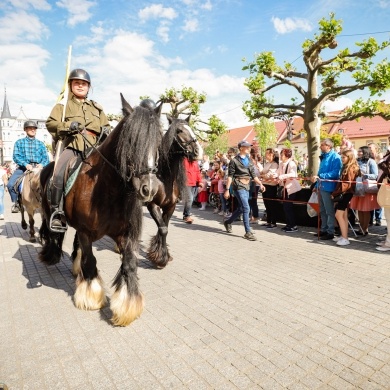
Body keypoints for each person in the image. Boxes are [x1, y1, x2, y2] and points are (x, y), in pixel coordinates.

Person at [46, 68, 109, 231]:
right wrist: (68, 125)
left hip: (95, 149)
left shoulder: (97, 108)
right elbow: (50, 124)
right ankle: (57, 213)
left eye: (84, 84)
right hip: (73, 147)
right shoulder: (63, 106)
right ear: (71, 85)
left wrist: (106, 131)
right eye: (77, 83)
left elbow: (106, 126)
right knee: (58, 172)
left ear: (88, 87)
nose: (80, 86)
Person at [223, 140, 265, 241]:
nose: (248, 148)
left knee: (242, 208)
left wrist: (260, 183)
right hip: (238, 186)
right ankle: (248, 232)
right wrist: (227, 189)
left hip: (248, 186)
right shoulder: (234, 161)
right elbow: (230, 176)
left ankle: (228, 222)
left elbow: (253, 175)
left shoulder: (249, 160)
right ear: (241, 148)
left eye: (249, 147)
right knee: (246, 207)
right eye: (246, 147)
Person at [7, 120, 50, 212]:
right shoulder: (19, 142)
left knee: (52, 183)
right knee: (10, 185)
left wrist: (42, 164)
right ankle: (17, 203)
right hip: (24, 168)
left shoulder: (41, 143)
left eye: (34, 128)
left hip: (39, 168)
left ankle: (51, 204)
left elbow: (45, 157)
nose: (33, 130)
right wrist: (25, 164)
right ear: (25, 130)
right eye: (30, 128)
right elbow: (16, 156)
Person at [310, 138, 342, 240]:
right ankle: (323, 229)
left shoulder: (335, 157)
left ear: (328, 146)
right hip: (321, 186)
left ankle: (330, 231)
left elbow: (336, 173)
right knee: (322, 210)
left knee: (329, 210)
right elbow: (319, 173)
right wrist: (316, 186)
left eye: (322, 145)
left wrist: (322, 176)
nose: (320, 146)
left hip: (328, 187)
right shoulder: (324, 157)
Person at [331, 150, 360, 246]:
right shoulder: (347, 167)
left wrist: (335, 193)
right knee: (343, 215)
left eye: (344, 157)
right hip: (345, 193)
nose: (342, 159)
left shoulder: (350, 168)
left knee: (338, 215)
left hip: (346, 193)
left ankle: (345, 238)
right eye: (341, 157)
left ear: (349, 157)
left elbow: (346, 184)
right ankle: (344, 235)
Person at [349, 146, 379, 235]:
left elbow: (375, 175)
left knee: (365, 210)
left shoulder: (371, 162)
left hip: (366, 189)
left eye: (360, 151)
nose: (358, 153)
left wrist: (364, 175)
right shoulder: (357, 161)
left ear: (365, 152)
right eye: (358, 151)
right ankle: (360, 228)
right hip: (358, 188)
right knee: (359, 209)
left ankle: (365, 229)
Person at [277, 148, 302, 233]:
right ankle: (288, 224)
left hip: (291, 188)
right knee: (285, 207)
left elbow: (293, 174)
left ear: (287, 155)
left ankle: (293, 225)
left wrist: (282, 176)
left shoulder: (291, 164)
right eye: (281, 154)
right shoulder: (281, 164)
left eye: (282, 154)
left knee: (288, 207)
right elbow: (278, 173)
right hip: (284, 187)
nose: (281, 156)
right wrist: (273, 175)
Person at [260, 148, 279, 228]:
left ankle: (273, 222)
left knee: (271, 204)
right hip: (265, 184)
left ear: (272, 155)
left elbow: (269, 175)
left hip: (271, 186)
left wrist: (263, 175)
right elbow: (262, 173)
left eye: (267, 153)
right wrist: (263, 175)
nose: (266, 155)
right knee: (266, 204)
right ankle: (268, 221)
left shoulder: (274, 164)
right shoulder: (267, 164)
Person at [182, 157, 203, 223]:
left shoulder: (195, 162)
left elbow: (197, 172)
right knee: (190, 199)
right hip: (186, 183)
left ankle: (185, 214)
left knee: (190, 199)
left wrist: (200, 181)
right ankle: (187, 216)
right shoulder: (184, 160)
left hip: (194, 183)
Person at [368, 142, 382, 226]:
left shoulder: (379, 157)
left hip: (379, 181)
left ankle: (378, 219)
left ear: (375, 149)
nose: (369, 149)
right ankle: (370, 219)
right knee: (371, 200)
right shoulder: (368, 158)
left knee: (379, 200)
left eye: (370, 147)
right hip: (371, 181)